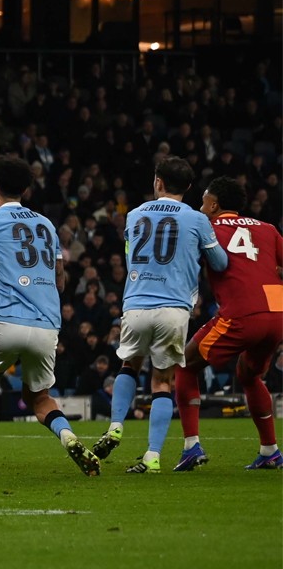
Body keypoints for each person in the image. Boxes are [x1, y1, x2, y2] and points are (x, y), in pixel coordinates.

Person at [0, 157, 100, 478]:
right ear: (26, 190)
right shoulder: (47, 225)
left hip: (6, 320)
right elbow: (60, 281)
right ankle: (67, 435)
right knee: (39, 397)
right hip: (45, 324)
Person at [91, 158, 227, 473]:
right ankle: (152, 456)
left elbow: (129, 258)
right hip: (173, 308)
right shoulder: (196, 219)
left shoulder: (135, 215)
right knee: (162, 381)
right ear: (189, 187)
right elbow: (219, 263)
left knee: (129, 365)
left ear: (158, 182)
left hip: (135, 304)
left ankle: (115, 425)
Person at [173, 177, 283, 471]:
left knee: (184, 364)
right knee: (248, 375)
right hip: (276, 313)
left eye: (204, 201)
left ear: (214, 204)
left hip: (241, 314)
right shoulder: (269, 229)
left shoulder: (205, 226)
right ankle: (270, 450)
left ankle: (191, 446)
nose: (200, 206)